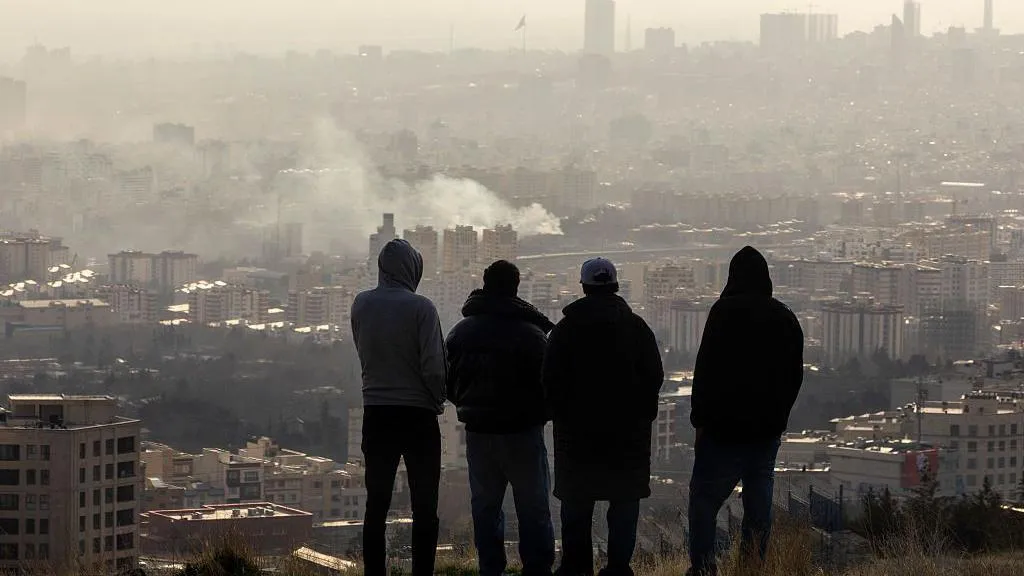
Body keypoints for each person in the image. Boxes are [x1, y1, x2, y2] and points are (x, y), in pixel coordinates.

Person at [686, 246, 804, 576]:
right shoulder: (784, 317)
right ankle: (751, 567)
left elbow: (705, 370)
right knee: (758, 507)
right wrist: (778, 417)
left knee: (704, 503)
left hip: (722, 431)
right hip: (765, 433)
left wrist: (700, 422)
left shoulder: (723, 313)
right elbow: (794, 376)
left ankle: (703, 569)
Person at [543, 257, 664, 576]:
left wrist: (562, 415)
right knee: (624, 503)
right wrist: (642, 416)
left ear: (583, 287)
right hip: (628, 438)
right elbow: (654, 377)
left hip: (576, 438)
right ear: (615, 285)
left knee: (576, 505)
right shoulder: (637, 328)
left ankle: (575, 568)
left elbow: (550, 381)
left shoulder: (565, 330)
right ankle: (618, 567)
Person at [446, 260, 556, 576]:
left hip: (479, 433)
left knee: (485, 507)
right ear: (516, 287)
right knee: (533, 507)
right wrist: (539, 415)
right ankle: (537, 569)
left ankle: (490, 568)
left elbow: (447, 382)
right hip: (523, 433)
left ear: (485, 284)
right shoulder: (533, 335)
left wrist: (469, 406)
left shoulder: (461, 333)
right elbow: (550, 387)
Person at [350, 239, 447, 576]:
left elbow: (364, 353)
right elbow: (434, 368)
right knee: (424, 506)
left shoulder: (361, 304)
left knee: (376, 505)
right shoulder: (422, 308)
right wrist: (437, 399)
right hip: (418, 416)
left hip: (376, 413)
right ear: (412, 269)